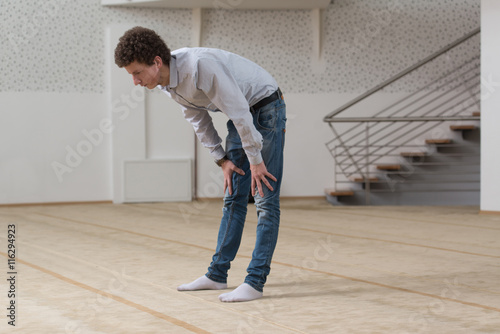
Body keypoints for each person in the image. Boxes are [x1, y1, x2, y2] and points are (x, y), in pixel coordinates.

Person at [114, 26, 286, 302]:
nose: (135, 81)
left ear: (156, 62)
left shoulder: (200, 67)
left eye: (136, 73)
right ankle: (217, 275)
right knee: (232, 197)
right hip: (239, 114)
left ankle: (255, 281)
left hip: (265, 108)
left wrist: (256, 161)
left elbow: (241, 112)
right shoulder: (168, 83)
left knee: (265, 200)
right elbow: (197, 119)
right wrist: (221, 159)